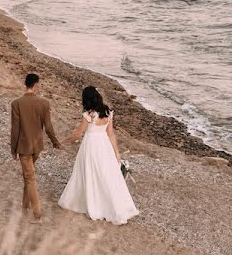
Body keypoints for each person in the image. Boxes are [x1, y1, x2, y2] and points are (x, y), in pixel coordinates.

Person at [58, 86, 138, 225]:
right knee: (105, 174)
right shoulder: (107, 112)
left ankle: (92, 202)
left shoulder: (88, 114)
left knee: (89, 172)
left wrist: (62, 142)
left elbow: (77, 134)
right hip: (104, 145)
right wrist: (116, 152)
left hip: (91, 146)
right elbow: (111, 134)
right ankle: (111, 204)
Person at [11, 73, 61, 220]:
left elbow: (15, 129)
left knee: (29, 177)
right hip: (37, 146)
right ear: (36, 84)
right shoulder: (44, 103)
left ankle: (37, 213)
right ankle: (24, 206)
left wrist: (13, 149)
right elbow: (48, 126)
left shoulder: (16, 103)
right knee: (29, 176)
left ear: (25, 84)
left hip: (23, 147)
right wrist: (55, 142)